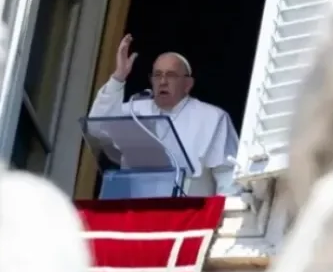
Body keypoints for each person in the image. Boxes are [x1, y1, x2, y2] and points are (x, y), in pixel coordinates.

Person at [89, 34, 240, 196]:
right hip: (136, 210)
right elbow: (97, 127)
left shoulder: (212, 117)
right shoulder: (135, 111)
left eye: (171, 75)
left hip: (190, 215)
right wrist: (118, 77)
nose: (162, 81)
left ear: (188, 84)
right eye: (157, 75)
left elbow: (227, 176)